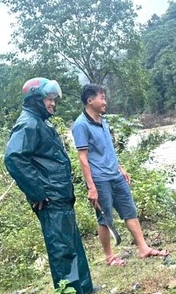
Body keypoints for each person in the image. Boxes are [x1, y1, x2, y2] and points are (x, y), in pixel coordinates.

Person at [4, 77, 94, 294]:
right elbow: (14, 158)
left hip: (61, 194)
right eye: (48, 99)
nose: (53, 104)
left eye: (54, 99)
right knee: (61, 249)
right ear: (35, 99)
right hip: (50, 197)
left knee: (72, 242)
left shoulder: (42, 121)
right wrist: (36, 191)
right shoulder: (28, 124)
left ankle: (85, 288)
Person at [72, 84, 168, 266]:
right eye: (102, 98)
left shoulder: (103, 121)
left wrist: (120, 167)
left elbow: (108, 149)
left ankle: (143, 248)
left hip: (115, 176)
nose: (105, 102)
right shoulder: (81, 125)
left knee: (129, 211)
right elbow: (83, 158)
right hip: (99, 179)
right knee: (105, 218)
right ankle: (109, 256)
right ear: (90, 100)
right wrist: (91, 187)